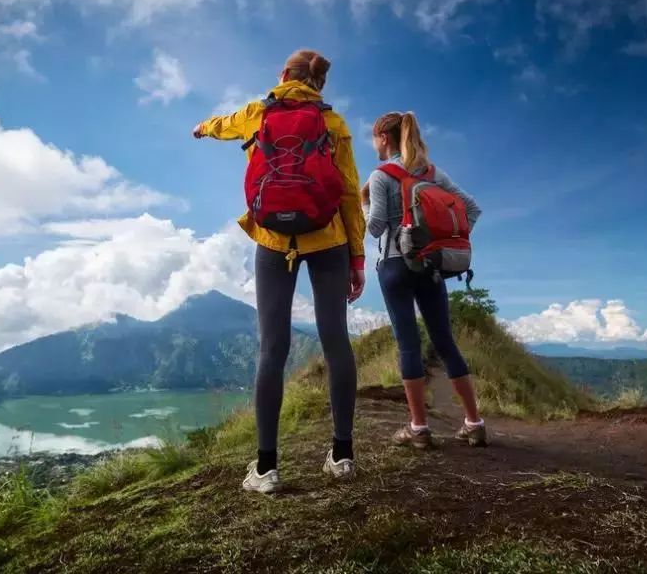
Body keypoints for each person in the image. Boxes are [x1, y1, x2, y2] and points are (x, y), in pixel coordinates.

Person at [193, 49, 366, 493]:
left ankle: (267, 468)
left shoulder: (257, 113)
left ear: (283, 75)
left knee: (272, 350)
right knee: (335, 344)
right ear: (318, 85)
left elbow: (222, 125)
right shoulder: (334, 124)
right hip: (328, 240)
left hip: (272, 241)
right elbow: (348, 193)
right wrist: (358, 257)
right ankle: (342, 456)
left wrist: (203, 127)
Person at [362, 111, 487, 448]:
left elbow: (374, 227)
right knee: (444, 341)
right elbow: (472, 208)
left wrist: (363, 207)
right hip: (430, 265)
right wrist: (443, 241)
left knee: (408, 344)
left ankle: (419, 429)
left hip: (394, 265)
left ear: (384, 138)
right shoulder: (432, 173)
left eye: (373, 138)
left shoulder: (381, 175)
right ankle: (474, 423)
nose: (373, 144)